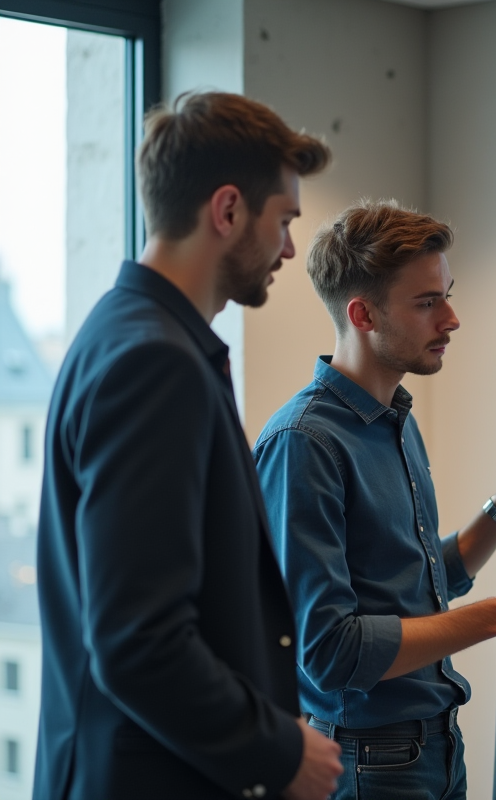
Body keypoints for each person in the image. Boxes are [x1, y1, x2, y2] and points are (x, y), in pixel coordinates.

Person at [35, 92, 343, 800]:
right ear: (228, 210)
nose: (289, 249)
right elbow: (138, 640)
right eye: (284, 221)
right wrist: (278, 751)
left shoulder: (123, 332)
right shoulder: (156, 361)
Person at [252, 199, 496, 800]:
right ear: (362, 314)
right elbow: (329, 653)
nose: (452, 319)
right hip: (367, 765)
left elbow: (421, 585)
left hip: (437, 748)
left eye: (448, 296)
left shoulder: (396, 419)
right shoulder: (304, 442)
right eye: (427, 302)